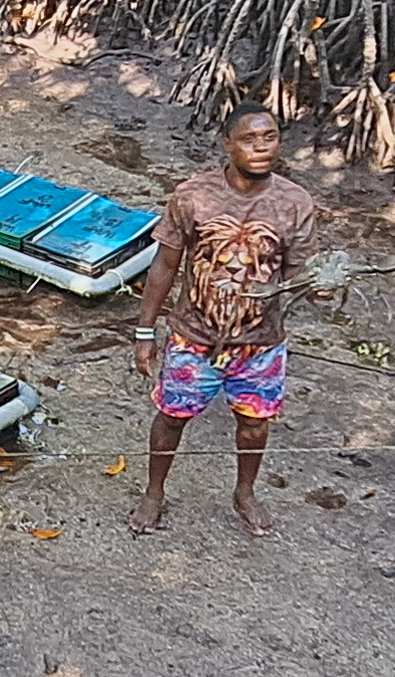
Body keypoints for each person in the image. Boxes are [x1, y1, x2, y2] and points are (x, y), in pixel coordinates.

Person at [130, 106, 321, 537]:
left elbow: (298, 275)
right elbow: (164, 266)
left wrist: (322, 284)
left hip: (261, 343)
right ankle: (155, 492)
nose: (260, 147)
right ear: (227, 144)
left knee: (254, 424)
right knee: (172, 416)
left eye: (269, 137)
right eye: (249, 139)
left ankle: (245, 492)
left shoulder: (296, 204)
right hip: (193, 337)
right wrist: (146, 332)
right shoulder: (193, 197)